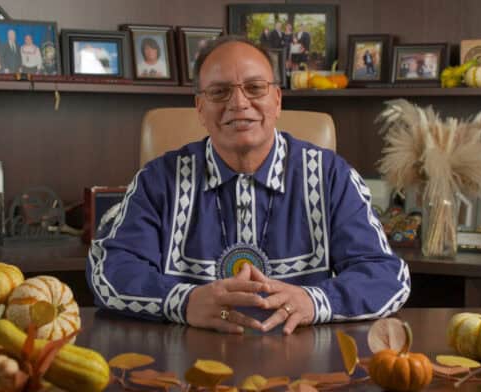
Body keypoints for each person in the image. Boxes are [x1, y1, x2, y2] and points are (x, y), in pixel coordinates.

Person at [86, 36, 409, 335]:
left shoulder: (331, 177)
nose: (239, 103)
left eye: (255, 88)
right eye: (219, 92)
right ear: (200, 107)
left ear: (278, 100)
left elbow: (387, 276)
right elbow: (109, 271)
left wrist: (314, 301)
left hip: (305, 367)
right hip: (188, 365)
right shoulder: (158, 181)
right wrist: (182, 301)